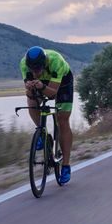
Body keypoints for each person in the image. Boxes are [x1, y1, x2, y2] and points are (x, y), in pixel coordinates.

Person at [20, 46, 73, 184]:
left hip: (62, 83)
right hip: (42, 83)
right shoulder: (24, 64)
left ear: (44, 64)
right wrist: (31, 89)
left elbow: (53, 94)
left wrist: (41, 87)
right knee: (31, 102)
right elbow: (29, 94)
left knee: (62, 120)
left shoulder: (56, 61)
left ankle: (66, 165)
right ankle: (43, 133)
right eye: (32, 70)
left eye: (37, 69)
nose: (34, 72)